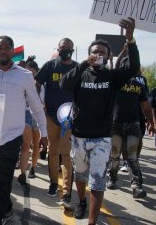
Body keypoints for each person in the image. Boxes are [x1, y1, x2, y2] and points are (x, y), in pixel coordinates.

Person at [60, 18, 140, 224]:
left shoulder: (113, 77)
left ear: (109, 56)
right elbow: (64, 84)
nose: (98, 54)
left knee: (97, 181)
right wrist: (84, 63)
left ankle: (92, 221)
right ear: (89, 54)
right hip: (78, 137)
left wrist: (130, 39)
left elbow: (133, 68)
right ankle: (82, 202)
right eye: (95, 51)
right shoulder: (80, 73)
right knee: (80, 175)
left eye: (102, 52)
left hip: (103, 138)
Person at [0, 35, 47, 225]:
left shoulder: (24, 75)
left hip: (12, 135)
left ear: (13, 51)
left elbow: (36, 106)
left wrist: (44, 133)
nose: (3, 51)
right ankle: (7, 211)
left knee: (4, 180)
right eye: (0, 47)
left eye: (7, 47)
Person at [106, 44, 155, 198]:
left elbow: (145, 104)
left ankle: (136, 185)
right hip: (115, 123)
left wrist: (151, 122)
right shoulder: (115, 78)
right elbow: (115, 64)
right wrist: (123, 51)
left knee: (132, 156)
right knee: (115, 155)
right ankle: (112, 178)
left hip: (133, 123)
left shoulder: (140, 80)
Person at [34, 37, 77, 206]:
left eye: (67, 48)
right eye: (62, 48)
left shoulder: (76, 68)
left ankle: (66, 192)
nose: (64, 50)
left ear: (72, 50)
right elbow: (36, 83)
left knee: (65, 153)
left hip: (68, 117)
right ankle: (53, 183)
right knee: (52, 151)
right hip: (51, 116)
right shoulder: (50, 66)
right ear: (57, 49)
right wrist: (40, 102)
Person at [18, 56, 42, 184]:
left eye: (33, 72)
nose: (30, 74)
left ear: (36, 72)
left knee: (36, 144)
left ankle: (33, 167)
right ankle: (23, 172)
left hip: (36, 117)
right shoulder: (21, 82)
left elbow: (43, 101)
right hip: (24, 115)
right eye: (27, 71)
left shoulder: (40, 85)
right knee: (26, 145)